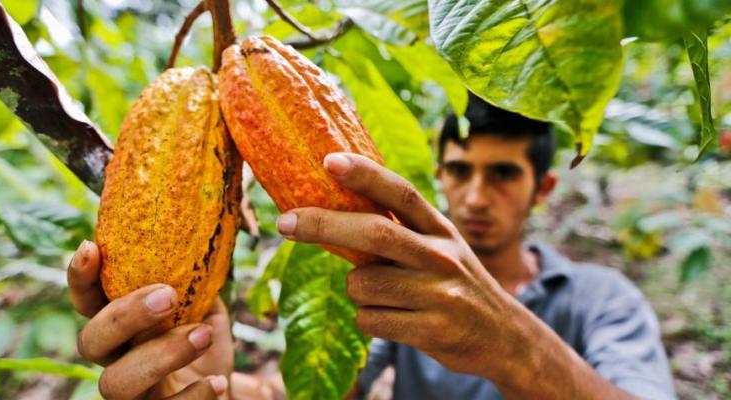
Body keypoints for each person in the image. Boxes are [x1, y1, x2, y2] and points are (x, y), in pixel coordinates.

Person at [67, 94, 675, 399]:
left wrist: (514, 347)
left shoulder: (600, 299)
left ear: (542, 186)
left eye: (503, 174)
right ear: (438, 173)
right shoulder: (397, 289)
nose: (475, 195)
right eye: (460, 171)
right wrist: (216, 384)